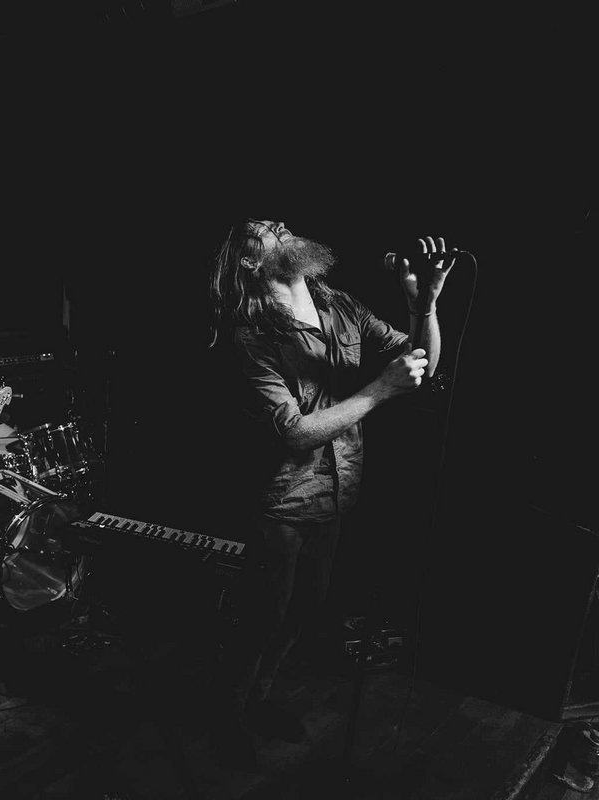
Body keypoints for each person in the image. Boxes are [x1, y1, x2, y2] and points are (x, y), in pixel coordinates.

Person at [206, 219, 455, 768]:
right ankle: (226, 715)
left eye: (279, 221)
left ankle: (257, 701)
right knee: (263, 616)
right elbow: (295, 433)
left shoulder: (338, 305)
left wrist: (424, 306)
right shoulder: (251, 336)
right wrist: (380, 389)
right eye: (263, 230)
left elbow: (422, 364)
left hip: (339, 486)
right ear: (249, 261)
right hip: (280, 498)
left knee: (305, 610)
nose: (278, 225)